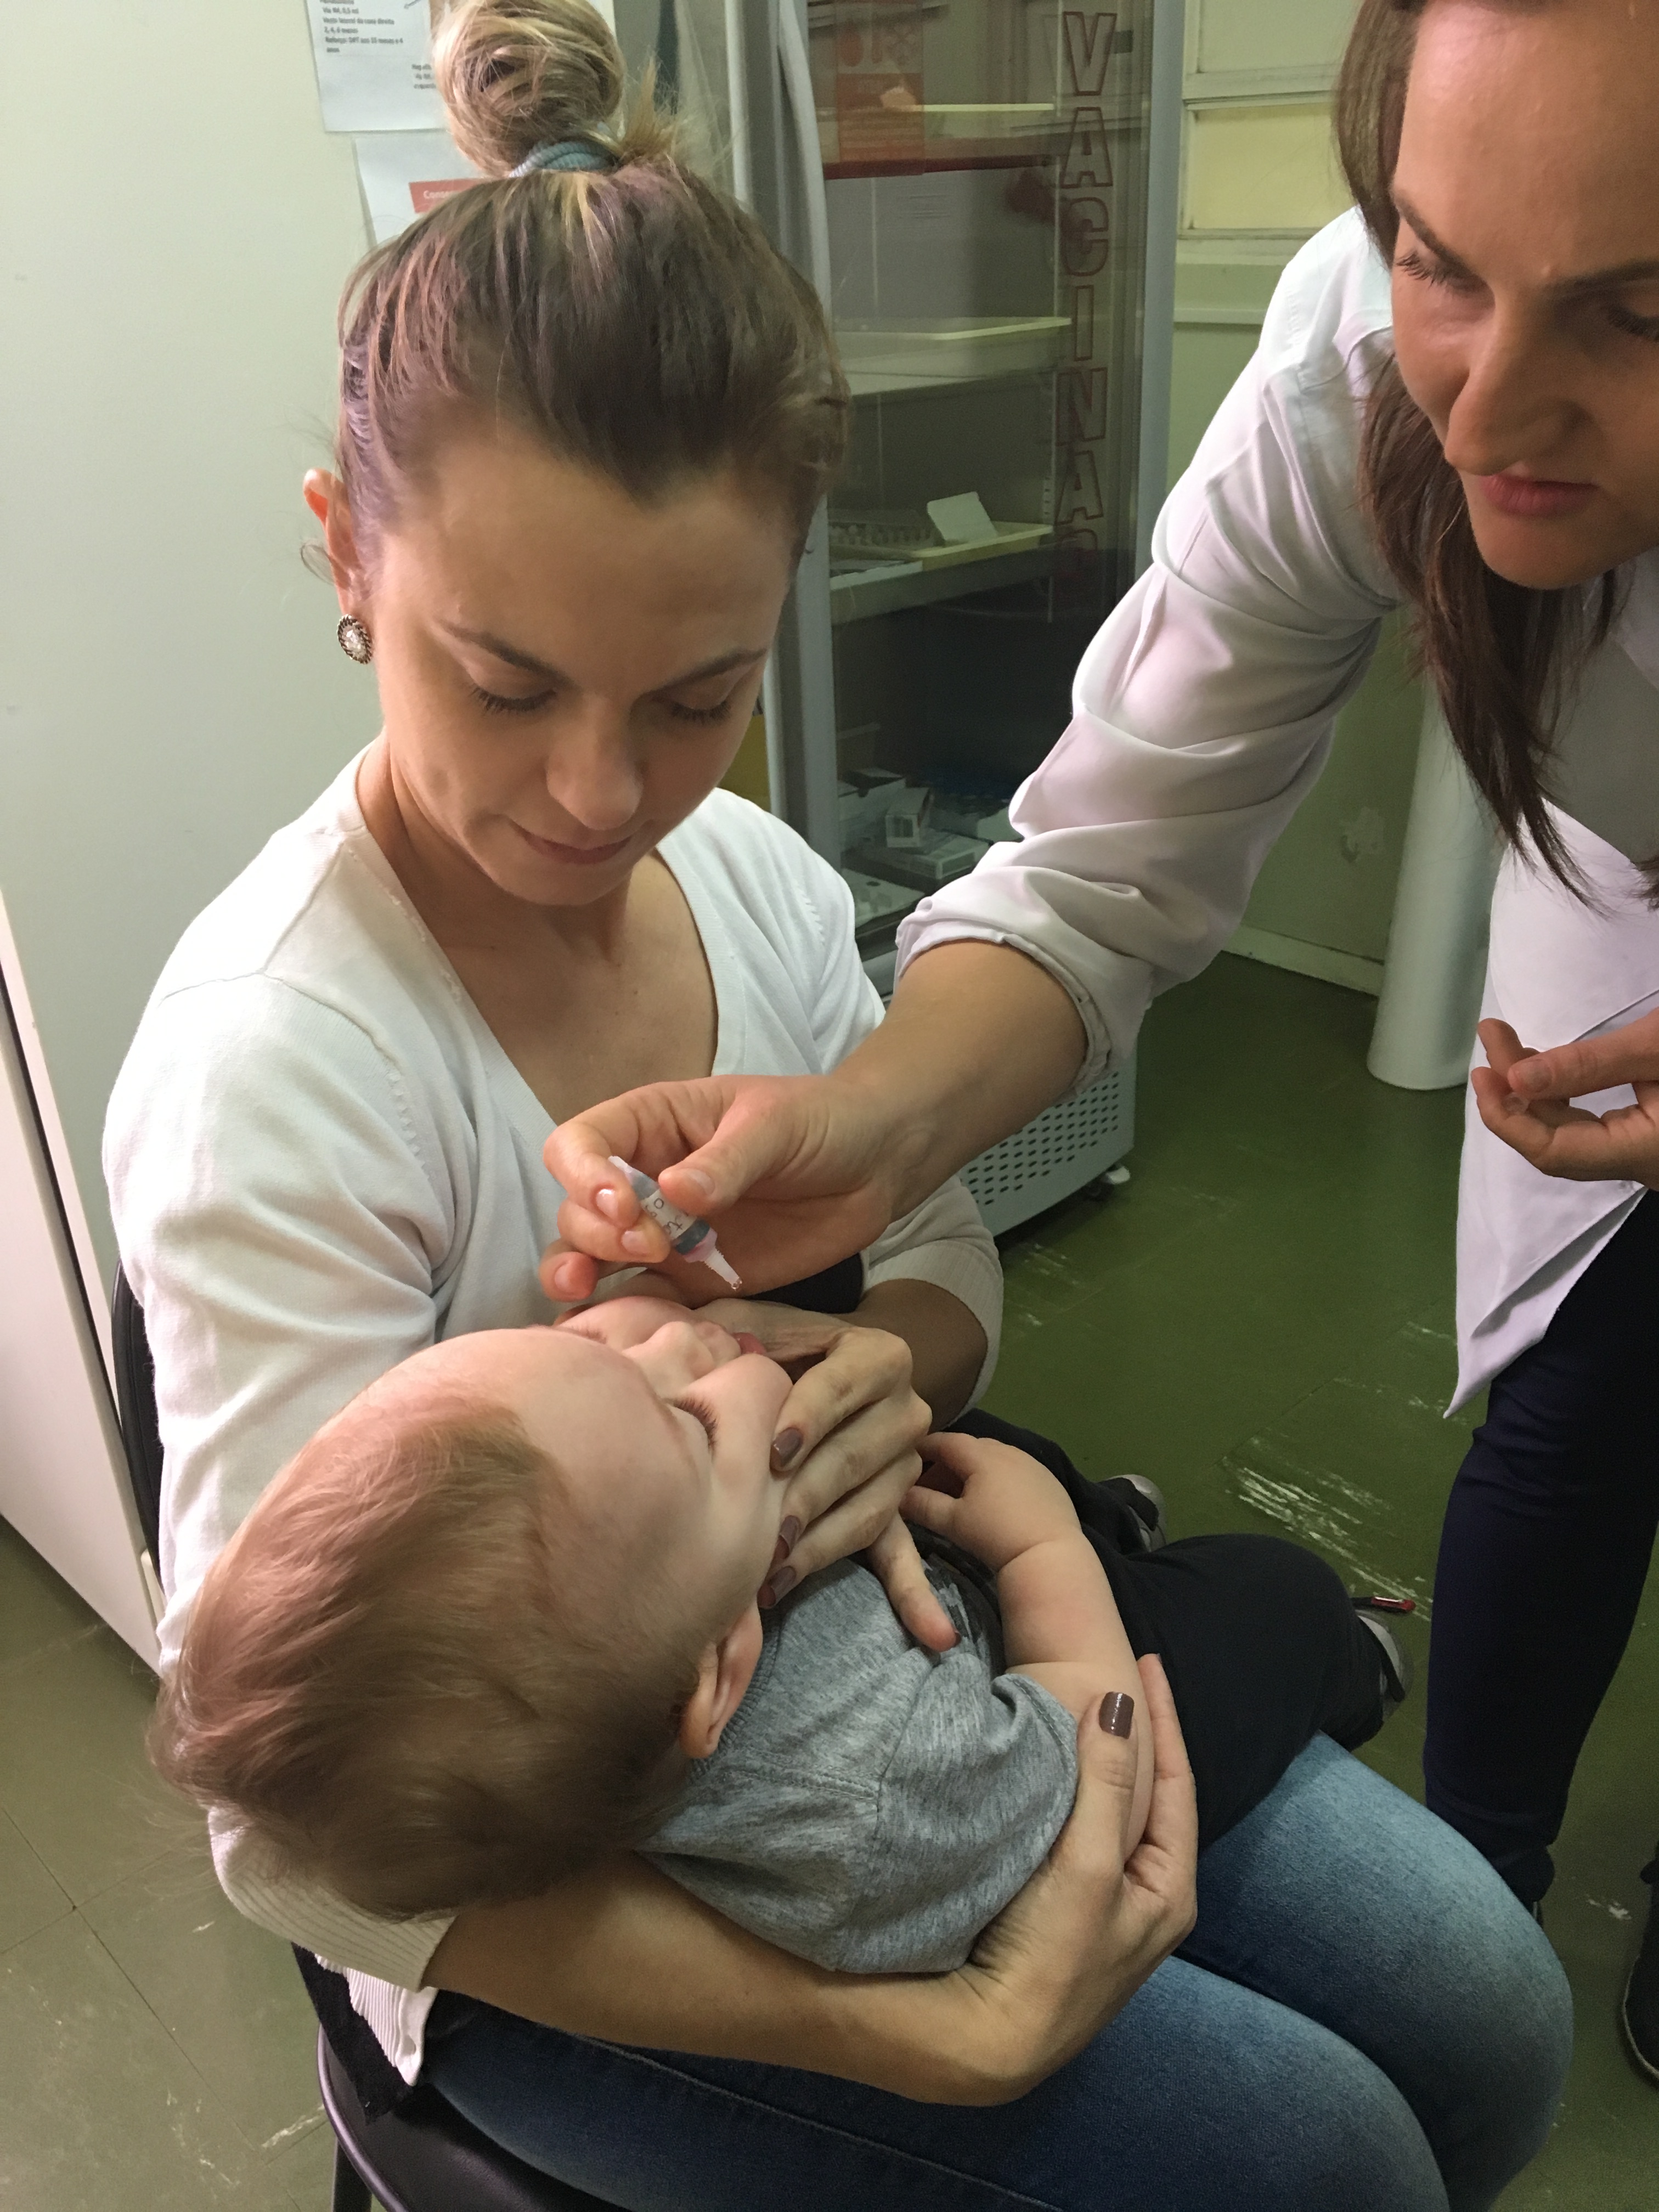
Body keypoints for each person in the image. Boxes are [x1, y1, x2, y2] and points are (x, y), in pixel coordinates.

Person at [104, 2, 1569, 2204]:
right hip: (548, 1895)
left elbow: (941, 1258)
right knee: (1323, 2161)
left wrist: (888, 1362)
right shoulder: (281, 1076)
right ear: (346, 556)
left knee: (1489, 2012)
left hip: (880, 1672)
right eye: (502, 683)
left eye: (697, 696)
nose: (598, 796)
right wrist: (912, 2036)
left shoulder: (756, 882)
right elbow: (295, 1852)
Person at [543, 0, 1659, 2077]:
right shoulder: (1352, 369)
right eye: (1440, 261)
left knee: (1442, 2036)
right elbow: (1100, 869)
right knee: (1581, 1401)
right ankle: (1491, 1846)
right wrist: (880, 1124)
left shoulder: (754, 893)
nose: (1493, 402)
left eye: (1638, 311)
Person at [150, 1311, 1411, 1957]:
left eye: (591, 1345)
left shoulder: (618, 1635)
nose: (679, 1343)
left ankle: (1100, 1515)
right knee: (1263, 1591)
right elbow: (1085, 1784)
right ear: (720, 1667)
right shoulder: (880, 1787)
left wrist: (672, 1404)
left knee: (984, 1447)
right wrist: (1044, 1552)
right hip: (1033, 1699)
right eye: (690, 1418)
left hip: (906, 1584)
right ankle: (1344, 1661)